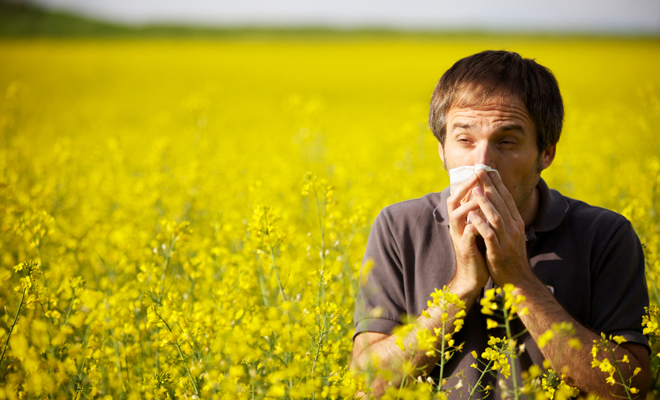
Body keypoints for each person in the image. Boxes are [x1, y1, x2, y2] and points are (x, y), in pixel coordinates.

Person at [350, 50, 650, 399]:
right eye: (464, 140)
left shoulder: (605, 235)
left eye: (507, 142)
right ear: (441, 150)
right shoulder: (399, 227)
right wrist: (461, 288)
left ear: (546, 153)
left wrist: (519, 280)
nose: (482, 164)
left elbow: (631, 388)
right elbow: (365, 384)